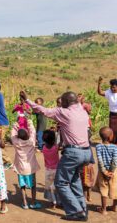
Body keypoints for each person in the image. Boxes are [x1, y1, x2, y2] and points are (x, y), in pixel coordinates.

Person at [21, 90, 92, 221]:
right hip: (87, 152)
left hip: (73, 153)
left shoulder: (63, 112)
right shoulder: (82, 110)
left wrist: (27, 100)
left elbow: (43, 110)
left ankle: (77, 211)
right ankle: (83, 209)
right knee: (74, 180)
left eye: (62, 102)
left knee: (61, 183)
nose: (60, 104)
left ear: (65, 102)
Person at [11, 120, 41, 210]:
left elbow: (12, 135)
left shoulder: (16, 143)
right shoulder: (31, 142)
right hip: (30, 168)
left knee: (22, 186)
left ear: (18, 136)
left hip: (21, 169)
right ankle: (33, 202)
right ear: (28, 135)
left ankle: (25, 203)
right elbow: (33, 132)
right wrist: (30, 123)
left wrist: (15, 126)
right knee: (33, 185)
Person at [95, 127, 117, 215]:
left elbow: (100, 160)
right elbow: (115, 160)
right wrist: (111, 172)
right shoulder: (115, 147)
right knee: (115, 188)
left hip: (102, 172)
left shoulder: (98, 146)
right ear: (110, 137)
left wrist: (104, 172)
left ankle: (103, 209)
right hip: (114, 172)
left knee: (103, 189)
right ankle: (114, 207)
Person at [42, 130, 59, 208]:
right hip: (56, 170)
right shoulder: (55, 147)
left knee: (49, 187)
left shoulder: (44, 148)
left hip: (48, 170)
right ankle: (57, 201)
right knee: (56, 187)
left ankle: (52, 202)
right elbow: (59, 142)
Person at [98, 77, 117, 144]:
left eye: (114, 87)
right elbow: (100, 92)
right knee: (112, 130)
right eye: (111, 87)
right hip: (112, 115)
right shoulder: (109, 92)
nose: (112, 89)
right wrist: (99, 84)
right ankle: (113, 144)